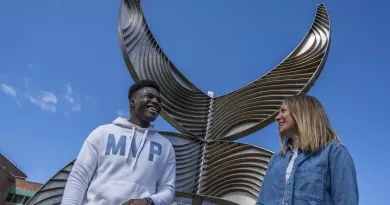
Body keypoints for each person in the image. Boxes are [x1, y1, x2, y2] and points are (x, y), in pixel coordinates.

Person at [61, 80, 176, 205]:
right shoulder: (102, 132)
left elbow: (168, 189)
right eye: (149, 97)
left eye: (159, 100)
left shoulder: (165, 146)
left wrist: (149, 201)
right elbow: (79, 177)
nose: (155, 102)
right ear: (132, 102)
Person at [256, 95, 358, 205]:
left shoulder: (334, 152)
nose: (277, 117)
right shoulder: (276, 160)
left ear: (301, 113)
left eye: (283, 111)